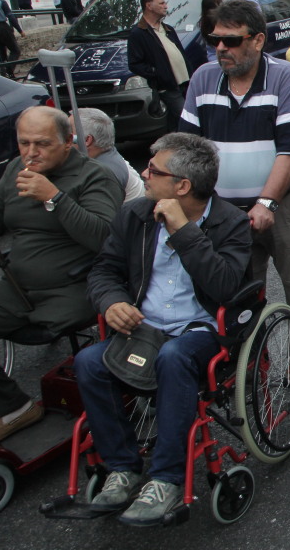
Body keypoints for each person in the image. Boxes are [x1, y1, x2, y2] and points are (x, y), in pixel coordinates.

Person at [76, 133, 251, 525]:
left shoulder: (231, 223)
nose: (144, 174)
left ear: (182, 186)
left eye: (153, 170)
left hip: (200, 330)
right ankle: (122, 467)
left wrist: (182, 230)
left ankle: (167, 479)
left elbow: (224, 286)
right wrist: (112, 301)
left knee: (173, 359)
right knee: (88, 361)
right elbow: (104, 270)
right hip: (144, 324)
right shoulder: (135, 213)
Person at [178, 0, 290, 353]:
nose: (220, 48)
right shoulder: (202, 79)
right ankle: (245, 358)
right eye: (214, 39)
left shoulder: (284, 77)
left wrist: (265, 202)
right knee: (235, 289)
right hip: (225, 211)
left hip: (287, 203)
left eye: (231, 41)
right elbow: (187, 147)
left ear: (257, 40)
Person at [0, 107, 123, 442]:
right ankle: (12, 406)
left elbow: (104, 237)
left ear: (68, 142)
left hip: (73, 289)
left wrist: (55, 198)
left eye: (42, 144)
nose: (31, 153)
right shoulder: (17, 168)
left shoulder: (94, 177)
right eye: (24, 143)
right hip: (19, 287)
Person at [128, 0, 202, 133]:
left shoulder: (167, 29)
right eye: (161, 3)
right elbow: (135, 64)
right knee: (187, 119)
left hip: (184, 84)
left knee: (175, 124)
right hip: (168, 87)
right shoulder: (138, 33)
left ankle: (174, 148)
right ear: (149, 6)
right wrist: (157, 73)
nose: (166, 6)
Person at [74, 108, 145, 201]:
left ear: (87, 140)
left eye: (67, 132)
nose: (62, 137)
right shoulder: (105, 156)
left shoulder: (104, 174)